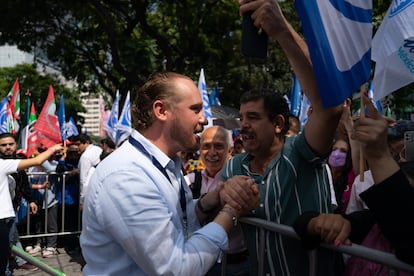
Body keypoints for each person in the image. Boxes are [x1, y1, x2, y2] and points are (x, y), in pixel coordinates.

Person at [80, 72, 260, 275]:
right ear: (161, 110)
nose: (204, 119)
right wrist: (231, 211)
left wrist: (210, 200)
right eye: (195, 109)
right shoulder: (126, 176)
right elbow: (176, 269)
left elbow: (177, 224)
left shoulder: (166, 165)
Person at [221, 0, 344, 275]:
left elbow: (331, 109)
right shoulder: (233, 167)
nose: (244, 126)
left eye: (253, 118)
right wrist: (222, 193)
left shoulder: (301, 151)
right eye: (241, 119)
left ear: (278, 124)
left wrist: (282, 32)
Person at [293, 95, 414, 267]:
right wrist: (319, 224)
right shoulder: (373, 216)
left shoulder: (380, 176)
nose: (390, 146)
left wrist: (379, 156)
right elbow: (304, 223)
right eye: (388, 141)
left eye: (397, 142)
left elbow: (405, 229)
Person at [185, 126, 250, 276]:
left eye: (219, 146)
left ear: (230, 151)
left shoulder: (240, 179)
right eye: (206, 146)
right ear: (200, 150)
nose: (212, 152)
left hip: (236, 265)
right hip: (200, 262)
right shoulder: (189, 181)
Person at [0, 142, 63, 275]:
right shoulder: (2, 164)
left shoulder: (4, 163)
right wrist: (53, 148)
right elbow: (37, 160)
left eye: (11, 144)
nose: (7, 147)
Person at [0, 133, 39, 273]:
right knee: (7, 242)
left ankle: (18, 262)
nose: (8, 148)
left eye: (10, 144)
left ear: (16, 145)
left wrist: (31, 200)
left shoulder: (19, 162)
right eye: (4, 145)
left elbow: (24, 184)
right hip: (2, 213)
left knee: (11, 238)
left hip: (11, 209)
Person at [71, 134, 102, 206]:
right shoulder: (98, 149)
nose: (77, 147)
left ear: (87, 143)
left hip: (90, 193)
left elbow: (83, 180)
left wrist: (82, 200)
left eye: (78, 144)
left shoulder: (85, 156)